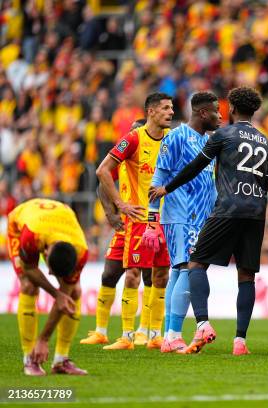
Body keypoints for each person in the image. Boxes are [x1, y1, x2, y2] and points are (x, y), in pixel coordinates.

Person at [149, 86, 268, 356]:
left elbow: (195, 165)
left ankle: (202, 323)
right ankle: (240, 342)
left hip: (226, 209)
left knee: (195, 264)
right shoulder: (266, 141)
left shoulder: (223, 135)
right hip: (255, 211)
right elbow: (266, 182)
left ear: (232, 108)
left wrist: (167, 188)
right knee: (246, 276)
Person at [143, 92, 220, 353]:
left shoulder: (208, 140)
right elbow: (157, 181)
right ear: (202, 113)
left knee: (179, 271)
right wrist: (152, 222)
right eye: (216, 111)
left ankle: (170, 335)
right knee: (188, 268)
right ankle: (173, 334)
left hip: (201, 217)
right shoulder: (175, 138)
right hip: (182, 216)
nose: (220, 116)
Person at [95, 93, 173, 350]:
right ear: (151, 111)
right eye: (165, 108)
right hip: (139, 218)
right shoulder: (133, 138)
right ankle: (126, 336)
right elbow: (102, 171)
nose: (171, 112)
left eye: (172, 108)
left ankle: (154, 334)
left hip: (168, 219)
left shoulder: (173, 139)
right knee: (132, 274)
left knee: (161, 276)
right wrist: (119, 205)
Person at [81, 118, 155, 347]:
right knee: (109, 274)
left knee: (148, 276)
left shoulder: (153, 158)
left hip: (147, 223)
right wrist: (110, 214)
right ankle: (101, 331)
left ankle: (144, 331)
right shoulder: (121, 160)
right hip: (126, 225)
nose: (129, 140)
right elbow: (101, 184)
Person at [8, 198, 88, 376]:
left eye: (51, 271)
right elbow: (29, 268)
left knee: (74, 291)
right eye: (51, 269)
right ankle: (29, 358)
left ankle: (61, 360)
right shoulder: (31, 236)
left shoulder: (81, 250)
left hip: (60, 224)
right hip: (21, 224)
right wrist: (54, 293)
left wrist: (43, 339)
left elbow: (64, 298)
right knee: (29, 286)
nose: (50, 274)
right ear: (46, 252)